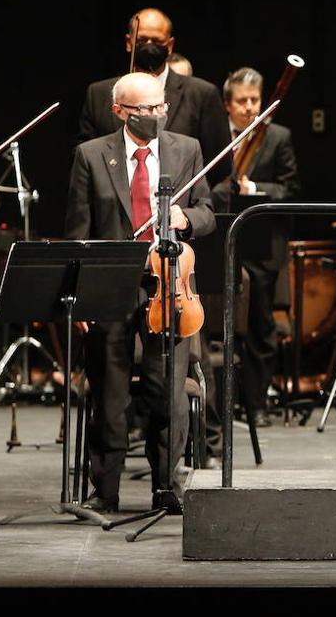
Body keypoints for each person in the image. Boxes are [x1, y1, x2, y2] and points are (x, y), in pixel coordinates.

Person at [65, 72, 215, 514]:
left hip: (170, 288)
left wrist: (186, 218)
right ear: (120, 111)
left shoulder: (186, 149)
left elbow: (207, 212)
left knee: (166, 393)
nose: (154, 116)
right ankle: (104, 492)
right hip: (110, 289)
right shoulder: (90, 156)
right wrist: (80, 294)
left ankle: (166, 488)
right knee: (110, 397)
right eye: (144, 110)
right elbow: (79, 230)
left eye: (159, 107)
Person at [211, 67, 301, 426]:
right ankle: (221, 402)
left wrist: (253, 190)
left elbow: (290, 188)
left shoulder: (278, 136)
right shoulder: (215, 135)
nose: (250, 107)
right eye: (242, 101)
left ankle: (257, 403)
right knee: (221, 323)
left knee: (261, 326)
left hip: (262, 241)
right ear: (227, 104)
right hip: (221, 238)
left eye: (255, 100)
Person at [78, 9, 231, 184]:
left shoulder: (202, 94)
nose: (149, 46)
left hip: (178, 206)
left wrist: (189, 207)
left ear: (170, 45)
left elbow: (220, 166)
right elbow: (85, 160)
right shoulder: (99, 94)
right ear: (129, 42)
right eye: (142, 40)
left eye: (157, 41)